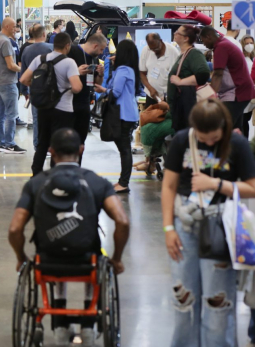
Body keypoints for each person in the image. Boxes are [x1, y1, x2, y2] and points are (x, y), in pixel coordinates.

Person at [8, 128, 129, 347]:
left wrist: (21, 257)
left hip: (47, 259)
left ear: (51, 152)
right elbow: (122, 221)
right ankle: (89, 325)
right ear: (81, 150)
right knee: (96, 256)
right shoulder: (97, 182)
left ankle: (60, 325)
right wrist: (117, 258)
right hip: (87, 259)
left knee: (57, 255)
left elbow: (15, 229)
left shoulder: (35, 184)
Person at [162, 99, 255, 347]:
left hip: (222, 228)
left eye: (214, 138)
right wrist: (168, 228)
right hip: (186, 225)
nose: (210, 142)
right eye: (204, 138)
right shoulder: (182, 140)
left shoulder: (237, 144)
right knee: (184, 299)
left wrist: (216, 184)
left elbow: (252, 188)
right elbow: (169, 186)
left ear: (223, 127)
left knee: (218, 302)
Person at [21, 33, 81, 175]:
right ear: (67, 46)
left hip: (44, 108)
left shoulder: (40, 59)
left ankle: (36, 174)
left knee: (42, 143)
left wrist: (37, 87)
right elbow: (77, 87)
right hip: (63, 110)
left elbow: (23, 79)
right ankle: (55, 175)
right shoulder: (69, 62)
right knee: (59, 144)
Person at [94, 40, 140, 193]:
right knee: (124, 148)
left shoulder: (123, 69)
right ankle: (123, 181)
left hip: (123, 113)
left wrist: (103, 90)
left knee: (124, 149)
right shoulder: (129, 69)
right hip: (128, 112)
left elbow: (116, 91)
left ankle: (124, 183)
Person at [201, 25, 255, 132]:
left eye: (203, 41)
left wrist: (210, 96)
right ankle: (239, 148)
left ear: (208, 36)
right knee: (236, 128)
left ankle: (224, 148)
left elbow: (217, 74)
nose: (204, 44)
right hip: (241, 91)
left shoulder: (221, 46)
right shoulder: (223, 44)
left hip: (238, 92)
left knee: (223, 125)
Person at [67, 33, 107, 159]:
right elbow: (60, 76)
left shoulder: (93, 58)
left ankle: (77, 167)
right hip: (69, 103)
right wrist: (76, 72)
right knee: (67, 140)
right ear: (95, 45)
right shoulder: (72, 51)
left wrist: (100, 75)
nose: (101, 53)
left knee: (81, 141)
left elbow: (96, 85)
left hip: (84, 104)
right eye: (101, 49)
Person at [167, 25, 210, 132]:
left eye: (178, 32)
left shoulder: (193, 53)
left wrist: (181, 81)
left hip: (187, 106)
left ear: (186, 38)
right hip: (181, 107)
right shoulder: (183, 54)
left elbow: (203, 74)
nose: (175, 34)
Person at [0, 17, 25, 154]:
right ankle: (10, 144)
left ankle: (1, 143)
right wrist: (24, 70)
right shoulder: (5, 42)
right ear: (6, 27)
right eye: (13, 27)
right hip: (8, 82)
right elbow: (11, 65)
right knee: (11, 114)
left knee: (1, 114)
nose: (15, 29)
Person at [20, 24, 52, 151]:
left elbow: (22, 72)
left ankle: (38, 145)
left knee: (36, 118)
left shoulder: (26, 50)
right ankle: (49, 145)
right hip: (49, 89)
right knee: (50, 118)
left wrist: (24, 91)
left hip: (33, 88)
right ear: (44, 34)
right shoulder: (51, 49)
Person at [139, 33, 179, 108]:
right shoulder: (146, 50)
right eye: (152, 49)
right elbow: (142, 73)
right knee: (150, 118)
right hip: (151, 96)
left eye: (156, 48)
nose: (154, 51)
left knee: (168, 119)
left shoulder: (174, 52)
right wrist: (150, 88)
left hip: (168, 97)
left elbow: (178, 76)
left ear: (161, 41)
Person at [243, 34, 255, 138]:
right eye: (247, 43)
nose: (249, 45)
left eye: (251, 43)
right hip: (244, 94)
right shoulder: (242, 58)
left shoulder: (252, 58)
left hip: (252, 95)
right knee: (243, 120)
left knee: (247, 119)